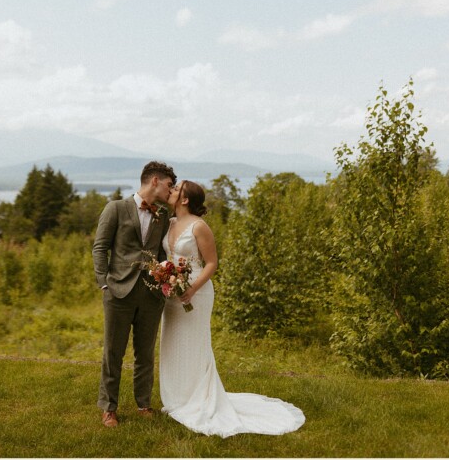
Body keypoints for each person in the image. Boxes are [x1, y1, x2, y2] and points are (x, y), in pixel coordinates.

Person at [159, 180, 305, 438]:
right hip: (172, 292)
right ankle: (176, 398)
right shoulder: (170, 223)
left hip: (197, 292)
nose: (170, 191)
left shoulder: (199, 226)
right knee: (172, 343)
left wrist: (191, 289)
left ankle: (197, 398)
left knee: (194, 344)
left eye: (175, 189)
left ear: (184, 199)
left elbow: (212, 263)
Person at [92, 161, 177, 428]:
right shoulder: (115, 208)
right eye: (168, 185)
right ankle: (109, 408)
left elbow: (162, 253)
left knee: (145, 352)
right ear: (154, 181)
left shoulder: (163, 215)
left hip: (152, 294)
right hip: (118, 291)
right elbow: (100, 247)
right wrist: (104, 282)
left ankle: (144, 403)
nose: (171, 190)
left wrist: (165, 278)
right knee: (113, 352)